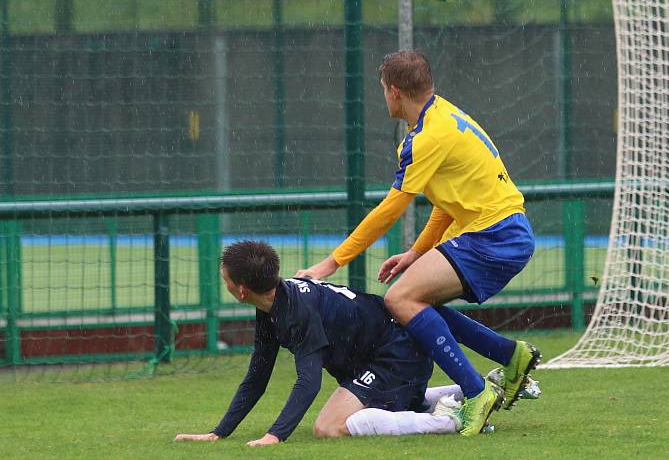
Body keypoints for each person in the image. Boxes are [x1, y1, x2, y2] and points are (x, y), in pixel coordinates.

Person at [296, 50, 540, 436]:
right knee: (416, 300)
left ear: (394, 92)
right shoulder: (442, 116)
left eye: (382, 90)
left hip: (494, 235)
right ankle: (511, 356)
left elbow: (391, 208)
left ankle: (476, 393)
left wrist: (333, 262)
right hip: (500, 231)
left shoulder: (427, 137)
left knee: (399, 299)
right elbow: (445, 205)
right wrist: (415, 254)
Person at [175, 239, 482, 446]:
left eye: (225, 278)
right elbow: (258, 375)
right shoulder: (272, 304)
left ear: (241, 291)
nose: (224, 282)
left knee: (329, 426)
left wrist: (275, 436)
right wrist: (219, 433)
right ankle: (468, 390)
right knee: (378, 405)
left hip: (397, 353)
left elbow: (308, 382)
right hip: (386, 353)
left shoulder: (297, 312)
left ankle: (446, 422)